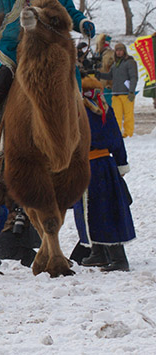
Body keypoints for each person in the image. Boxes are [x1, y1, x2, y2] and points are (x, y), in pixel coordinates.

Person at [0, 0, 94, 148]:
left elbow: (71, 13)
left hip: (44, 49)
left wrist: (83, 24)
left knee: (68, 76)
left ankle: (74, 117)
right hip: (11, 48)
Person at [71, 76, 135, 271]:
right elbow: (117, 140)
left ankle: (118, 259)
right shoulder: (107, 111)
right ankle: (98, 252)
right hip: (106, 165)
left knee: (101, 211)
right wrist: (120, 164)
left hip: (90, 166)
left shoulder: (79, 112)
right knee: (98, 210)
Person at [100, 43, 138, 138]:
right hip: (116, 94)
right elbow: (110, 76)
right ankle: (117, 133)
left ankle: (128, 133)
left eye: (121, 50)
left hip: (126, 94)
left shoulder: (130, 62)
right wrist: (98, 74)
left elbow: (134, 77)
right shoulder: (115, 64)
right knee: (116, 115)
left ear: (124, 51)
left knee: (128, 116)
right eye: (117, 50)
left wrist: (132, 91)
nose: (119, 52)